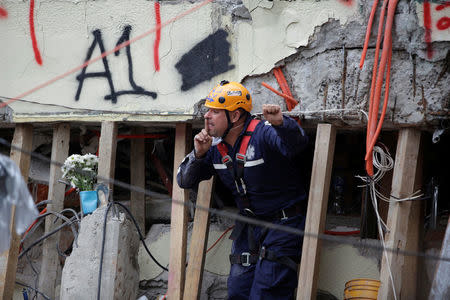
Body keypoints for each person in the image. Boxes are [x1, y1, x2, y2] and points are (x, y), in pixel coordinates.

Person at [177, 80, 309, 299]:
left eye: (215, 111)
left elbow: (297, 145)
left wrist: (281, 124)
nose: (207, 116)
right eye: (208, 110)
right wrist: (199, 154)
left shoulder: (263, 134)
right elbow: (184, 180)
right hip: (249, 227)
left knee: (266, 292)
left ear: (235, 116)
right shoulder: (214, 146)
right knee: (238, 291)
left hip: (284, 225)